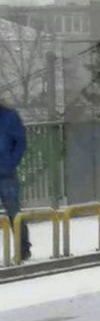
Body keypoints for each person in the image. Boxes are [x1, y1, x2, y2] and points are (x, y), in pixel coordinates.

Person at [0, 103, 28, 260]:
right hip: (6, 169)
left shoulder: (9, 116)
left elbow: (20, 142)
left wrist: (10, 163)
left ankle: (23, 249)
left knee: (13, 212)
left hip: (5, 173)